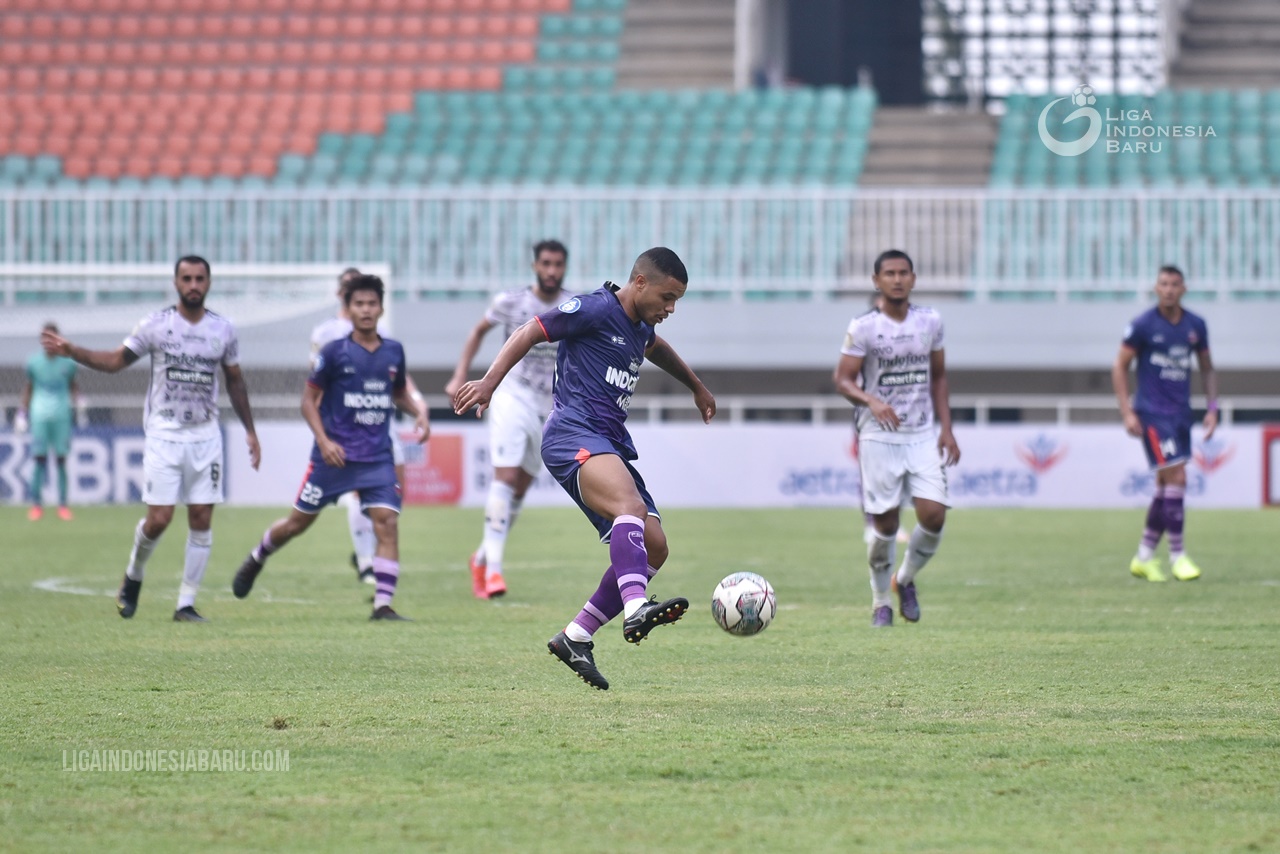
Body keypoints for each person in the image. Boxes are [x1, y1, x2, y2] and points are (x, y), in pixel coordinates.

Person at [453, 247, 716, 690]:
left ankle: (576, 637)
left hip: (607, 441)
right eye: (667, 297)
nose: (670, 309)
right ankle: (636, 609)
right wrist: (489, 383)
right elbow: (529, 331)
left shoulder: (640, 326)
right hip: (572, 433)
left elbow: (659, 349)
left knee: (655, 547)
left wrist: (697, 386)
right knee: (628, 508)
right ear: (639, 282)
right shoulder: (594, 308)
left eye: (677, 301)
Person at [41, 256, 261, 622]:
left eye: (199, 279)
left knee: (202, 517)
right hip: (164, 432)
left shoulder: (223, 330)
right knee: (159, 518)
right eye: (186, 278)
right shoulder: (156, 326)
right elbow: (115, 362)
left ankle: (185, 604)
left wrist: (251, 431)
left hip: (206, 434)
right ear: (176, 283)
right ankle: (133, 575)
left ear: (209, 283)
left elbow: (235, 380)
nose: (193, 285)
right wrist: (72, 351)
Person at [232, 274, 429, 621]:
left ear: (381, 307)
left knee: (387, 522)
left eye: (372, 303)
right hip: (333, 457)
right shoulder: (334, 352)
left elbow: (396, 393)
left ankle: (382, 605)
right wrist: (324, 441)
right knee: (296, 524)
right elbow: (308, 401)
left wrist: (420, 412)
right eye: (359, 304)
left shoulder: (394, 351)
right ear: (348, 309)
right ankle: (258, 556)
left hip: (376, 456)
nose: (366, 310)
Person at [833, 249, 960, 628]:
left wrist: (947, 428)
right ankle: (880, 602)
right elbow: (842, 380)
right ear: (877, 281)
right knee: (885, 526)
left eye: (904, 272)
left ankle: (903, 579)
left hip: (921, 433)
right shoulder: (863, 327)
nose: (897, 279)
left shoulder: (930, 322)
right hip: (878, 435)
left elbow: (938, 377)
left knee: (934, 514)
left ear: (914, 278)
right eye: (889, 273)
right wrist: (872, 400)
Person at [444, 239, 569, 599]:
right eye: (545, 263)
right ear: (535, 266)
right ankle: (495, 571)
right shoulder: (511, 301)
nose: (551, 271)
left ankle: (481, 557)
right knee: (506, 474)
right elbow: (478, 331)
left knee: (521, 486)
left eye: (557, 264)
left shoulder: (572, 305)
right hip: (512, 394)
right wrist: (460, 374)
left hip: (549, 405)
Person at [311, 267, 424, 585]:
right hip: (346, 424)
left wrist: (417, 404)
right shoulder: (327, 334)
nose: (364, 306)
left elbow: (395, 376)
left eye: (369, 299)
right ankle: (365, 560)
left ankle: (377, 545)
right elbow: (315, 383)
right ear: (342, 295)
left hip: (379, 418)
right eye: (353, 293)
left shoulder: (382, 333)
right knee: (355, 492)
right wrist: (324, 430)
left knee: (394, 485)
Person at [1111, 265, 1216, 583]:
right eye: (1163, 284)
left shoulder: (1195, 325)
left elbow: (1208, 368)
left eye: (1174, 284)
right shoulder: (1143, 325)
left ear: (1183, 288)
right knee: (1178, 476)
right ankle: (1177, 556)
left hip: (1181, 414)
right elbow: (1119, 366)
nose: (1169, 289)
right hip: (1152, 414)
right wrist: (1127, 411)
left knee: (1164, 485)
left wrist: (1212, 408)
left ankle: (1143, 557)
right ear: (1156, 289)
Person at [18, 321, 82, 521]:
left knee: (61, 460)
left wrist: (79, 404)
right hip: (39, 416)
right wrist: (22, 413)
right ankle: (36, 504)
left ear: (58, 340)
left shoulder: (68, 364)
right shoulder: (33, 363)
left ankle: (62, 505)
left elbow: (73, 386)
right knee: (39, 460)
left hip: (62, 416)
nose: (48, 342)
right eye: (44, 338)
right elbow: (29, 388)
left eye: (51, 338)